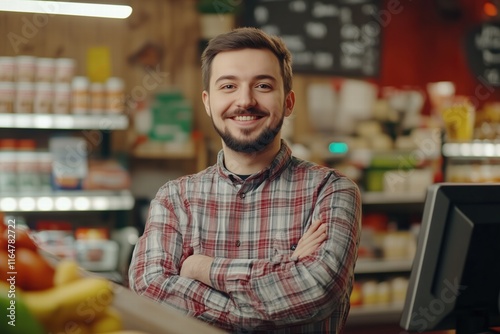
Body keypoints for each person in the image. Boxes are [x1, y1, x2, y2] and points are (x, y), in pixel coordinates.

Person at [128, 27, 361, 334]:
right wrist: (283, 273)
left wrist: (199, 268)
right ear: (208, 102)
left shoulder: (330, 190)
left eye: (263, 86)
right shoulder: (175, 197)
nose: (245, 100)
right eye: (228, 86)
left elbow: (317, 289)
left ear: (288, 102)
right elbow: (150, 290)